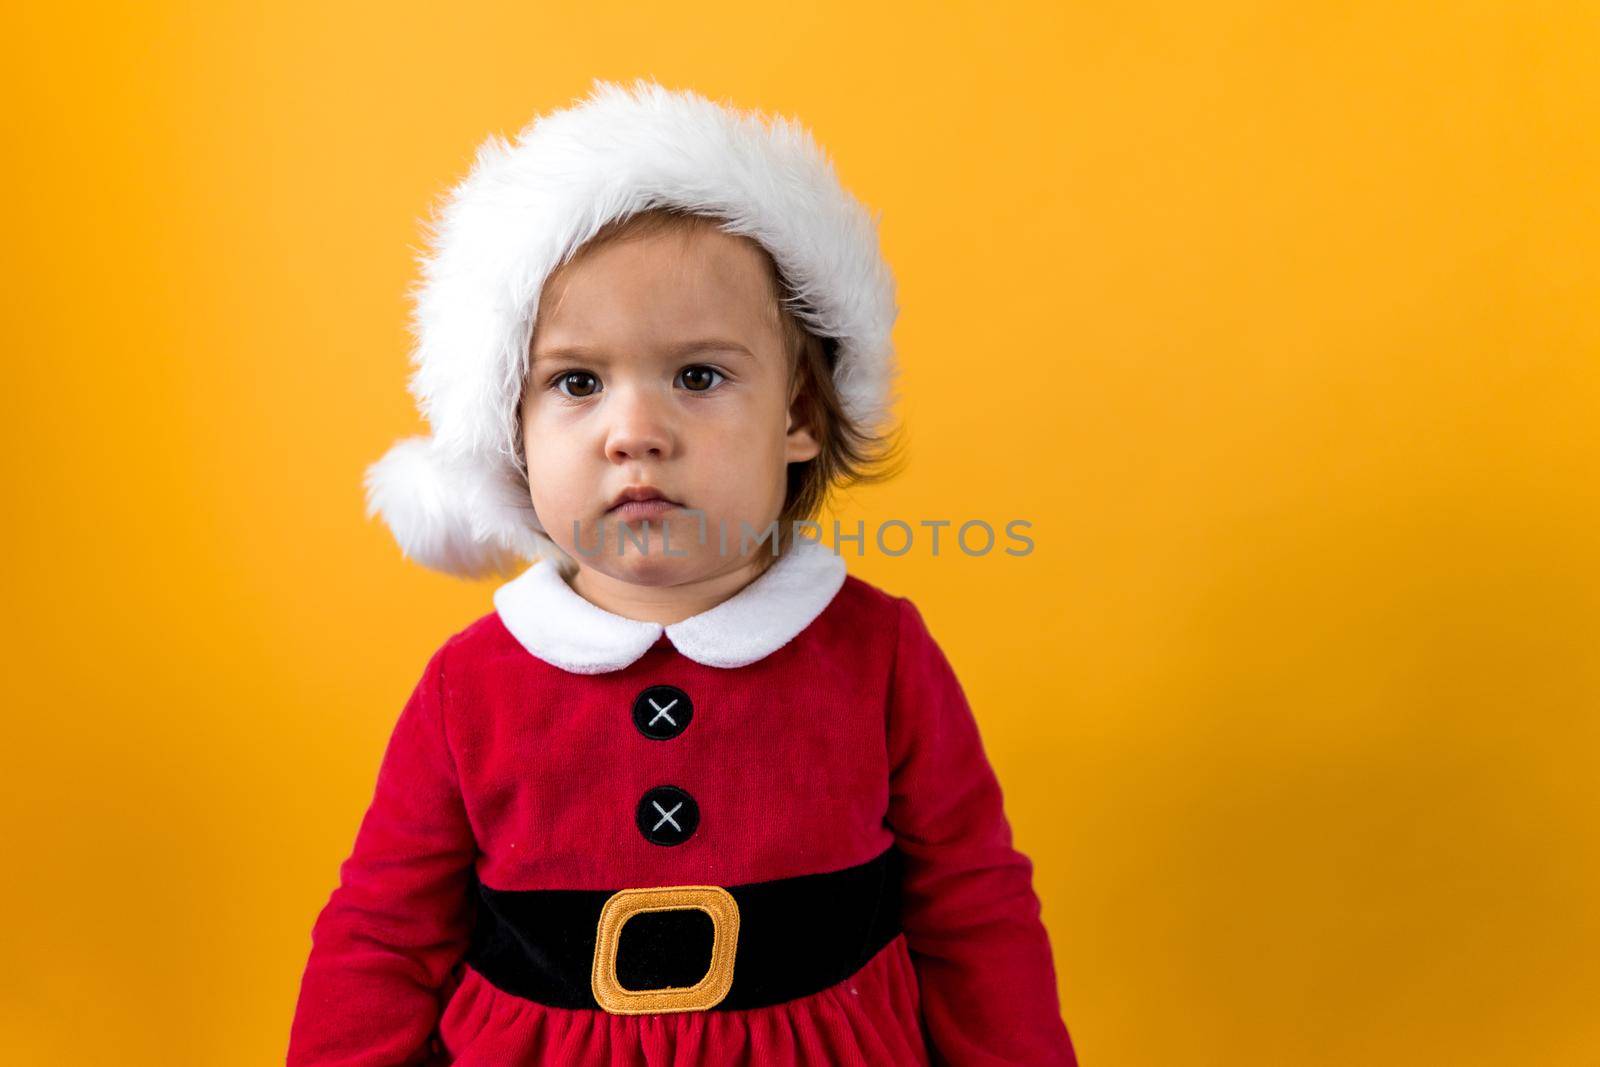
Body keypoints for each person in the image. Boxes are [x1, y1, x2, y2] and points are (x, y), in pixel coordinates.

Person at [287, 77, 1078, 1066]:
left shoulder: (876, 653)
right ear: (511, 434)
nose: (635, 433)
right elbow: (382, 936)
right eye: (577, 382)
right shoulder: (470, 684)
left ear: (796, 415)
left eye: (698, 376)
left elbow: (974, 910)